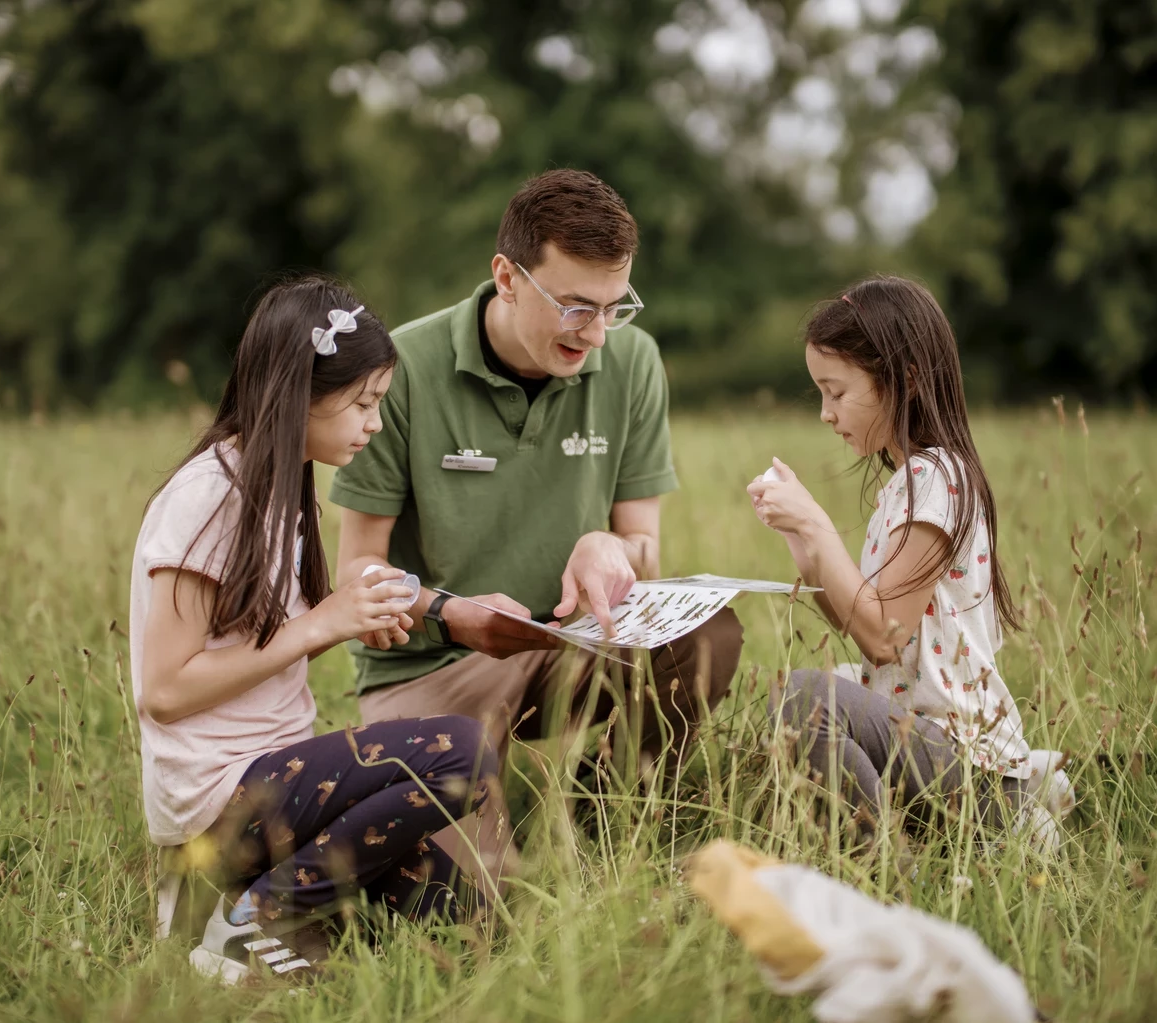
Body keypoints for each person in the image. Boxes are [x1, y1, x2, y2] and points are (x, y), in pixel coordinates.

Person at [330, 170, 744, 862]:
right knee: (485, 902)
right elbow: (357, 570)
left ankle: (604, 819)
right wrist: (451, 613)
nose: (600, 336)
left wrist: (606, 544)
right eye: (578, 307)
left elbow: (643, 546)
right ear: (508, 276)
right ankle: (484, 815)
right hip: (431, 670)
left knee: (709, 634)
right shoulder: (402, 369)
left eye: (616, 307)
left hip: (567, 648)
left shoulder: (634, 362)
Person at [129, 275, 497, 982]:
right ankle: (252, 919)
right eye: (363, 402)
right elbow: (166, 692)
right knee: (463, 750)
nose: (375, 424)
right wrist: (322, 623)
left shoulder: (281, 489)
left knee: (460, 912)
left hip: (272, 776)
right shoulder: (207, 497)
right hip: (221, 794)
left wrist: (365, 609)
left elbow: (267, 630)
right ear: (298, 391)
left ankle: (222, 910)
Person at [747, 275, 1030, 839]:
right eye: (820, 394)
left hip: (977, 776)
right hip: (928, 751)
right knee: (799, 695)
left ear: (905, 381)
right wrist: (808, 555)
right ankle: (884, 845)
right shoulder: (913, 482)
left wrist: (816, 523)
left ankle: (883, 870)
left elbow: (884, 636)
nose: (826, 413)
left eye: (837, 391)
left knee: (807, 697)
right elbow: (869, 630)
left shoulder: (936, 477)